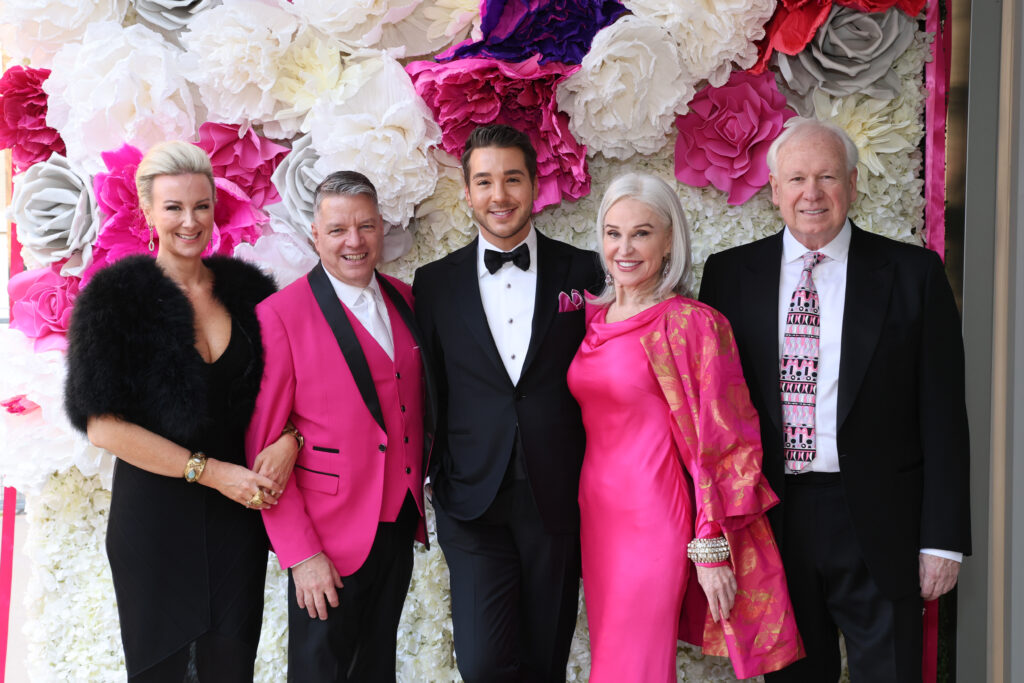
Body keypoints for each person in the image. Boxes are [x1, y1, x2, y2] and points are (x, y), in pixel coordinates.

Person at [699, 117, 971, 682]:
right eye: (797, 179)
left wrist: (943, 541)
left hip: (883, 522)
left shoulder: (913, 274)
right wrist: (715, 535)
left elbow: (944, 415)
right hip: (773, 521)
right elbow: (714, 418)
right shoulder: (729, 276)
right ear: (775, 190)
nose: (812, 193)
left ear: (851, 183)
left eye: (826, 177)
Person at [64, 141, 298, 681]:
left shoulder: (250, 292)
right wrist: (212, 473)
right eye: (173, 207)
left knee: (230, 668)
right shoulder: (114, 298)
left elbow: (286, 393)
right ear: (147, 212)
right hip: (155, 524)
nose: (190, 221)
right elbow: (103, 428)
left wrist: (291, 438)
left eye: (201, 206)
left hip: (236, 524)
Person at [568, 172, 803, 682]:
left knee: (637, 666)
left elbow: (725, 444)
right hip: (597, 517)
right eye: (613, 233)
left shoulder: (691, 323)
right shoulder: (592, 320)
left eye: (641, 233)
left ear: (669, 239)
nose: (624, 248)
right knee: (611, 659)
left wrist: (710, 544)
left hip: (654, 519)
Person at [412, 124, 602, 682]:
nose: (500, 195)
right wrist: (434, 475)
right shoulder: (434, 284)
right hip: (472, 500)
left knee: (544, 661)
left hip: (559, 496)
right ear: (467, 192)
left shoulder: (586, 271)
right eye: (485, 181)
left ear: (535, 185)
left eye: (512, 179)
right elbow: (428, 387)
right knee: (483, 664)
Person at [245, 170, 434, 682]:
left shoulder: (405, 299)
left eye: (365, 226)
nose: (354, 241)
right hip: (325, 538)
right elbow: (264, 451)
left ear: (381, 228)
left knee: (376, 669)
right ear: (315, 235)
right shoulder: (280, 316)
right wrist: (301, 553)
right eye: (337, 230)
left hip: (397, 521)